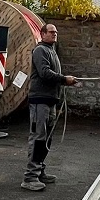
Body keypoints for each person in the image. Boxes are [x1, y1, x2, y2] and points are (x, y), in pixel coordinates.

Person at [22, 23, 79, 191]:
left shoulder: (51, 51)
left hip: (50, 100)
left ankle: (39, 171)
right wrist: (64, 79)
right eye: (51, 32)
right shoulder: (40, 51)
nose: (55, 34)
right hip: (40, 101)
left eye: (56, 32)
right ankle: (30, 177)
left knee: (46, 139)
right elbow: (45, 73)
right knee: (38, 137)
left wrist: (65, 80)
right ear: (42, 34)